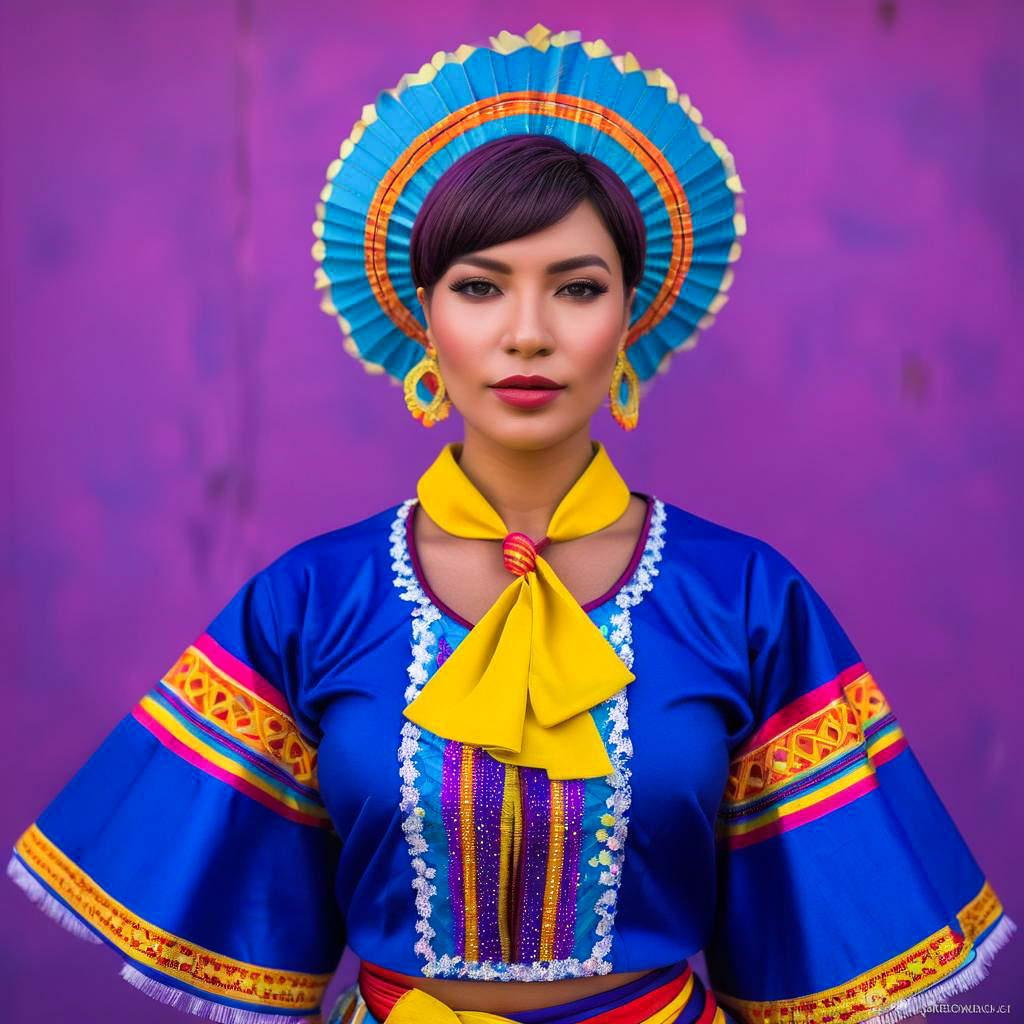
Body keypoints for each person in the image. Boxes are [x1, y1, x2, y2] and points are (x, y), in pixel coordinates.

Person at [7, 24, 1013, 1024]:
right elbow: (253, 927)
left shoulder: (744, 599)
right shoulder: (310, 599)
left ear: (630, 315)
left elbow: (811, 942)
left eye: (576, 287)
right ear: (424, 318)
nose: (527, 331)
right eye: (479, 286)